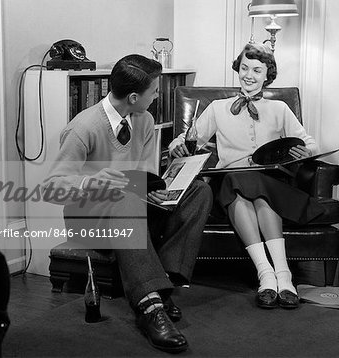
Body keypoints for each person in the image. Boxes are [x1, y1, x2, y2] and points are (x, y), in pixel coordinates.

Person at [43, 54, 213, 353]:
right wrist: (92, 182)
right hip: (89, 218)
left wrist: (161, 181)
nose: (158, 94)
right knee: (123, 194)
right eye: (155, 90)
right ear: (134, 97)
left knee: (199, 191)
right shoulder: (83, 128)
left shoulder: (144, 120)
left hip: (131, 207)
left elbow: (143, 177)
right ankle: (150, 307)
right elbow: (53, 187)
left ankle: (163, 285)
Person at [169, 43, 324, 309]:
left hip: (270, 184)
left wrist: (302, 151)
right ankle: (271, 274)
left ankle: (278, 275)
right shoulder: (218, 108)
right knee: (238, 181)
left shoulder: (280, 110)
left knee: (256, 187)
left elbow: (313, 145)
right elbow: (186, 140)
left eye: (257, 70)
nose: (249, 75)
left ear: (267, 75)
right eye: (244, 68)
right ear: (237, 70)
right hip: (229, 182)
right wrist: (176, 145)